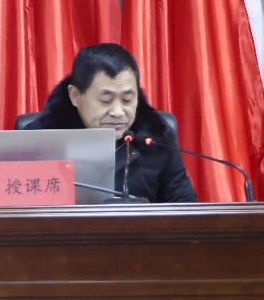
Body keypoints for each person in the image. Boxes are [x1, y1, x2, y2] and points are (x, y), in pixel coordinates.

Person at [24, 43, 196, 203]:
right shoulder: (39, 143)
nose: (118, 112)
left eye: (127, 99)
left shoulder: (156, 139)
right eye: (106, 100)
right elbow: (19, 213)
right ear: (75, 96)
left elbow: (185, 209)